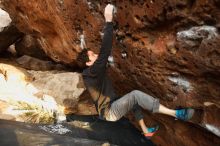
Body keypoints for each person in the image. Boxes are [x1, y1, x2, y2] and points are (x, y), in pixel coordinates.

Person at [76, 4, 194, 138]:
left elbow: (102, 54)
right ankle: (176, 114)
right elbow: (105, 50)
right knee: (135, 95)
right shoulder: (93, 70)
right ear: (88, 62)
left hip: (110, 107)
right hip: (109, 111)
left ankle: (146, 131)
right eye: (92, 55)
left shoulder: (90, 74)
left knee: (133, 101)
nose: (96, 55)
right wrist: (108, 20)